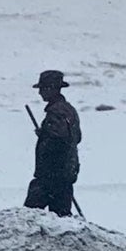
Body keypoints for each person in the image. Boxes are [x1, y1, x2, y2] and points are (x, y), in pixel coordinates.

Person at [24, 69, 82, 216]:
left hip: (51, 176)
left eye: (43, 89)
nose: (40, 93)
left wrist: (46, 136)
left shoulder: (56, 112)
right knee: (62, 220)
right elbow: (76, 137)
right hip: (66, 174)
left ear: (52, 89)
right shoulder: (69, 110)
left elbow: (58, 140)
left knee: (29, 217)